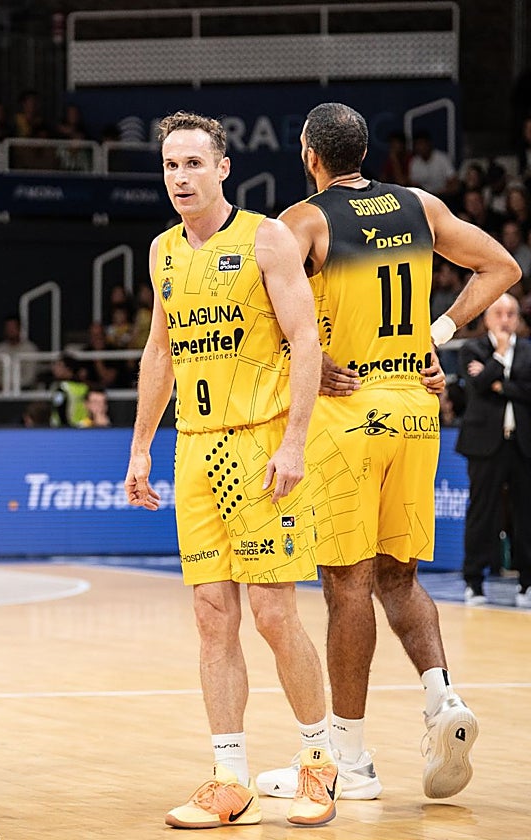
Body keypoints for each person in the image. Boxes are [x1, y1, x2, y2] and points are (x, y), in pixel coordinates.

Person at [258, 101, 519, 804]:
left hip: (349, 413)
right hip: (416, 408)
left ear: (310, 154)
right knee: (399, 578)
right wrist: (434, 332)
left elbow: (267, 326)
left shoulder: (302, 221)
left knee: (347, 587)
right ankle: (442, 703)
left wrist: (300, 356)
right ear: (365, 152)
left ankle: (350, 761)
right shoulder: (421, 205)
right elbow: (501, 267)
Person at [124, 111, 338, 829]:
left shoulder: (267, 239)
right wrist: (140, 446)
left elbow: (306, 339)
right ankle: (229, 777)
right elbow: (160, 352)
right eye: (170, 166)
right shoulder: (160, 251)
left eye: (192, 163)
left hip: (260, 444)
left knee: (276, 614)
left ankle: (317, 763)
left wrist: (296, 441)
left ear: (223, 169)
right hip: (194, 448)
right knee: (212, 617)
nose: (179, 177)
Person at [455, 294, 531, 608]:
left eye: (511, 313)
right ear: (486, 317)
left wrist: (497, 382)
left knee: (526, 515)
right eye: (499, 312)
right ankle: (474, 582)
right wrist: (499, 358)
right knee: (482, 513)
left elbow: (527, 392)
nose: (505, 319)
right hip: (484, 446)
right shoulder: (472, 349)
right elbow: (477, 387)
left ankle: (527, 583)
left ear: (518, 318)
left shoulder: (528, 351)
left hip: (523, 445)